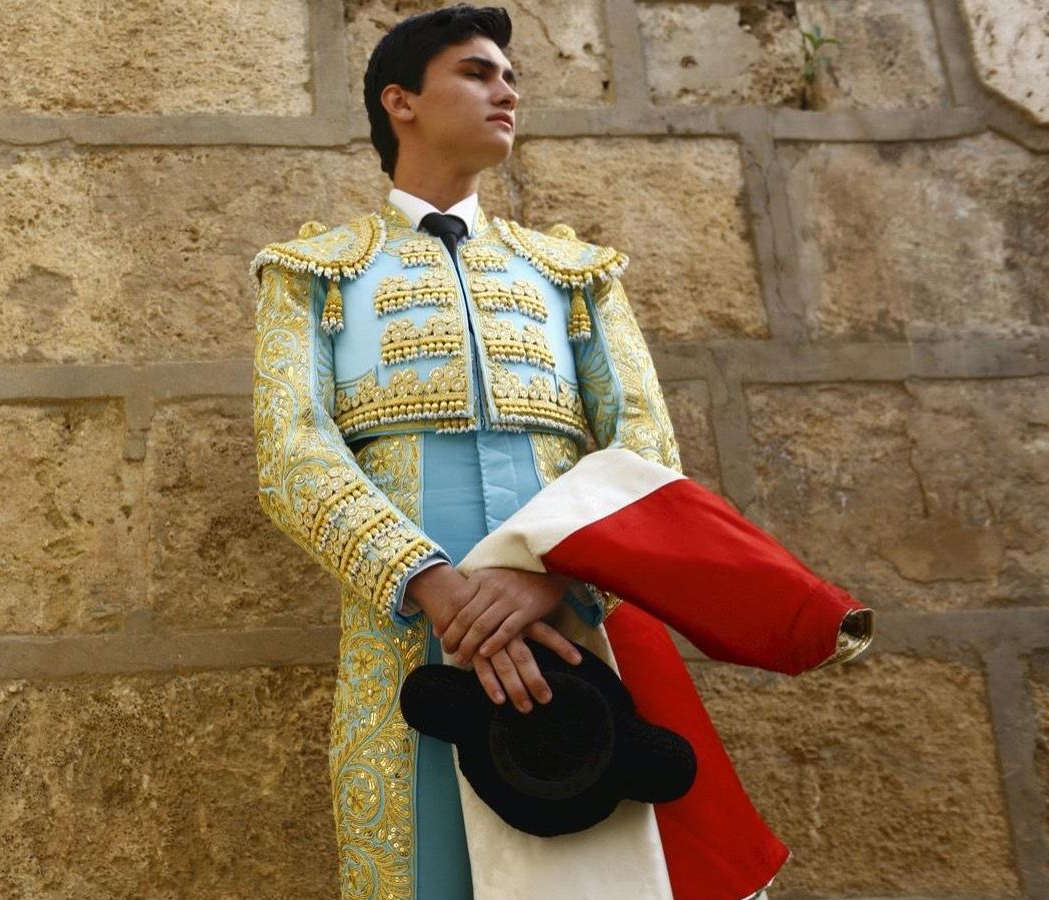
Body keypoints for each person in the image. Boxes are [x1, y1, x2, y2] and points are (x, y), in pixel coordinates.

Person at [250, 5, 867, 898]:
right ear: (401, 102)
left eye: (511, 77)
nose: (506, 90)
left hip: (578, 620)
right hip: (410, 635)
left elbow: (645, 440)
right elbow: (292, 452)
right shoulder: (314, 272)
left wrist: (559, 578)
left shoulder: (570, 272)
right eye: (477, 72)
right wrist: (433, 584)